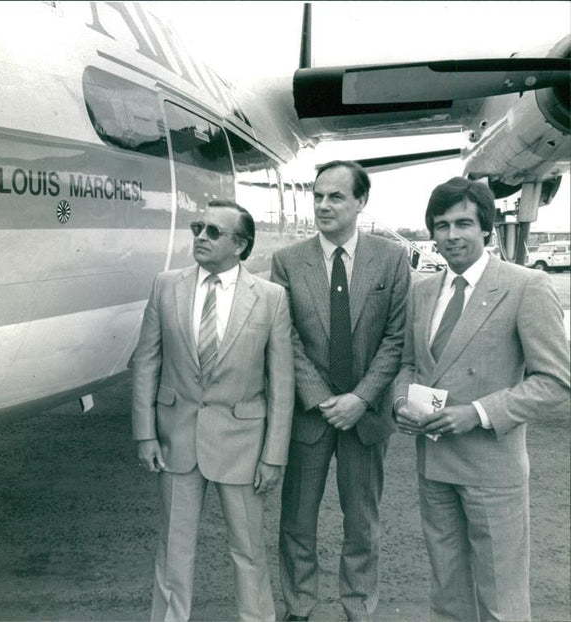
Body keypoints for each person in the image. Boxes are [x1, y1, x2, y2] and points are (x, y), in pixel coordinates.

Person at [393, 177, 570, 622]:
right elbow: (409, 365)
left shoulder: (526, 286)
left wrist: (477, 413)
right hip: (434, 465)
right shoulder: (422, 291)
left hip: (492, 468)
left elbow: (556, 380)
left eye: (463, 224)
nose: (451, 236)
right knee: (448, 593)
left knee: (500, 599)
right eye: (441, 225)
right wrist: (400, 404)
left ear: (486, 228)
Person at [131, 199, 294, 622]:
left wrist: (273, 455)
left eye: (213, 232)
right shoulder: (166, 285)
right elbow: (146, 361)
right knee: (173, 548)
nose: (201, 237)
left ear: (240, 246)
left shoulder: (271, 298)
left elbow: (281, 383)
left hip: (242, 444)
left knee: (249, 551)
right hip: (176, 439)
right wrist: (145, 433)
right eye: (197, 227)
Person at [271, 160, 410, 621]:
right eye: (318, 196)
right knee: (296, 523)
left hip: (366, 417)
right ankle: (299, 606)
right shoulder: (288, 261)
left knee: (362, 524)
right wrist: (320, 398)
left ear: (361, 202)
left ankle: (358, 608)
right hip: (311, 415)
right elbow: (284, 335)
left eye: (336, 196)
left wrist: (361, 398)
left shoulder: (390, 259)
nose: (324, 205)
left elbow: (395, 338)